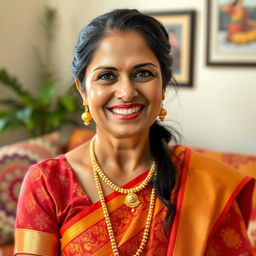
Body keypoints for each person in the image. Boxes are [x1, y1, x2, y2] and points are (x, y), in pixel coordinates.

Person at [14, 9, 255, 256]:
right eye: (107, 76)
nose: (127, 92)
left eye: (143, 73)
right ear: (83, 90)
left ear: (163, 86)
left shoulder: (209, 184)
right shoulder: (47, 182)